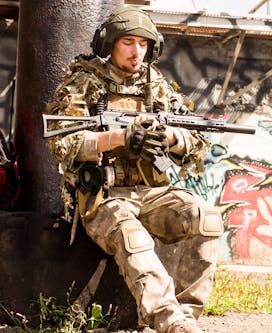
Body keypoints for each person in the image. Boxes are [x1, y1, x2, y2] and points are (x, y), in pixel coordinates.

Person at [45, 7, 223, 333]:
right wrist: (117, 138)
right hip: (103, 196)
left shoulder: (157, 86)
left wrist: (169, 137)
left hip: (152, 192)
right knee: (132, 236)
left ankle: (185, 320)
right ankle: (170, 323)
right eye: (128, 42)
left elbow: (197, 144)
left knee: (206, 218)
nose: (137, 51)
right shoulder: (84, 83)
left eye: (143, 44)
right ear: (108, 44)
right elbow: (62, 143)